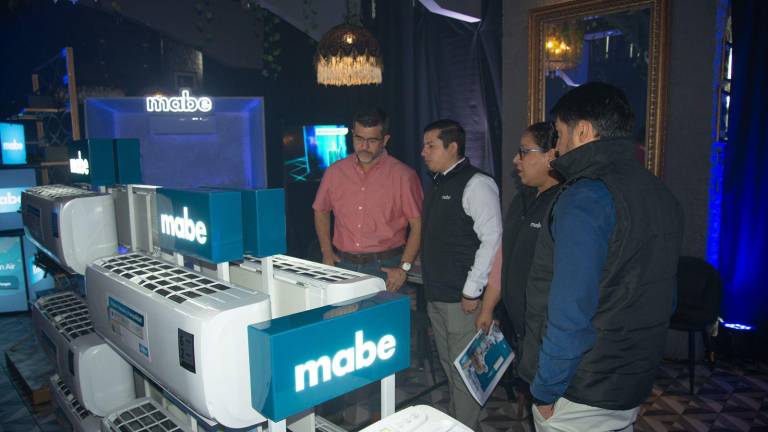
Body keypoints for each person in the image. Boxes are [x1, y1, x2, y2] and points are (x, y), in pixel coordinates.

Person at [518, 82, 684, 432]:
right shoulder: (659, 192)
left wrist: (545, 388)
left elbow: (569, 311)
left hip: (582, 384)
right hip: (633, 376)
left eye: (559, 133)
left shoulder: (585, 196)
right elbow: (664, 296)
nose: (557, 146)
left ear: (582, 131)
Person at [420, 119, 502, 429]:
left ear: (452, 147)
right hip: (437, 294)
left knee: (467, 372)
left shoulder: (476, 183)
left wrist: (472, 290)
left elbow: (492, 239)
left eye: (431, 146)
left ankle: (464, 425)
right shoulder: (439, 182)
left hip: (461, 299)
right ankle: (458, 422)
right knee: (449, 366)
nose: (424, 152)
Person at [313, 108, 423, 292]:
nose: (364, 146)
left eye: (372, 140)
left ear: (385, 140)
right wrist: (326, 252)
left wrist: (404, 268)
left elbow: (418, 224)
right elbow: (320, 210)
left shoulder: (404, 176)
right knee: (343, 312)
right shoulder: (335, 172)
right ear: (352, 135)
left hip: (386, 267)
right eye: (359, 139)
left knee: (385, 313)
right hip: (343, 264)